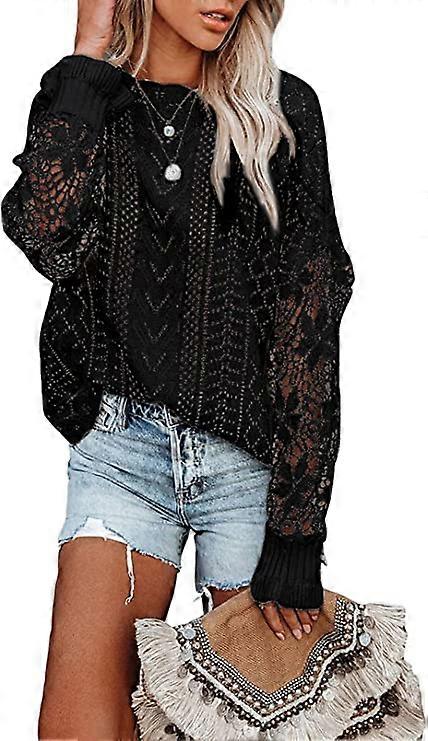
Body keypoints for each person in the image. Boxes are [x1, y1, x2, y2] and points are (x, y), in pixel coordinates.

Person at [1, 0, 355, 738]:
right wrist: (88, 54)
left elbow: (309, 316)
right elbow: (45, 236)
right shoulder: (85, 101)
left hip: (250, 469)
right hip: (120, 456)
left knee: (256, 726)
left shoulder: (280, 111)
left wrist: (298, 527)